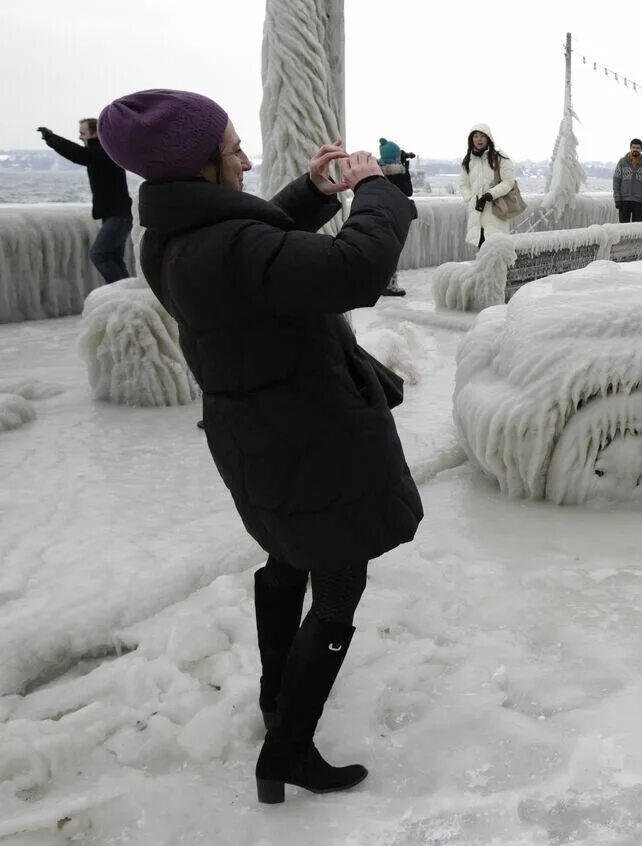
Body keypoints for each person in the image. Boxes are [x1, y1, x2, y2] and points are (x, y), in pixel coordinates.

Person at [97, 89, 422, 802]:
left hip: (260, 440)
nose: (246, 160)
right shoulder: (229, 246)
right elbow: (353, 271)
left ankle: (279, 698)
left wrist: (313, 191)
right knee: (339, 583)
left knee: (287, 556)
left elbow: (259, 246)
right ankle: (288, 749)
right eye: (233, 150)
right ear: (200, 166)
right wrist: (376, 190)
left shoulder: (172, 236)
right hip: (310, 437)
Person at [37, 118, 133, 283]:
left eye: (83, 133)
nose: (80, 137)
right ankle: (123, 293)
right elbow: (81, 154)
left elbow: (77, 154)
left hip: (119, 216)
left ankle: (122, 293)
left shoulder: (104, 152)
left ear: (95, 133)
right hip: (115, 215)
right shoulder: (101, 152)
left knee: (100, 254)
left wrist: (51, 138)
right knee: (113, 258)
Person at [460, 123, 516, 248]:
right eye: (475, 136)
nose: (478, 139)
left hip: (495, 209)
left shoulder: (500, 158)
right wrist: (470, 199)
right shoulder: (468, 160)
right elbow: (463, 184)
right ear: (471, 140)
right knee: (482, 249)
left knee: (496, 247)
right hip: (476, 211)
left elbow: (509, 182)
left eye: (482, 136)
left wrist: (491, 194)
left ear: (488, 138)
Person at [376, 137, 417, 297]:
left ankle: (377, 283)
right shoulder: (400, 172)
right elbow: (407, 191)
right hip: (395, 215)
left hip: (377, 213)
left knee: (379, 250)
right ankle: (390, 285)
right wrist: (405, 170)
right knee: (392, 251)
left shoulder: (376, 170)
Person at [613, 138, 642, 223]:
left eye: (638, 148)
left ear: (641, 149)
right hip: (624, 201)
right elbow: (616, 181)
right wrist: (617, 198)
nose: (635, 149)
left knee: (637, 229)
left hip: (639, 202)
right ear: (630, 148)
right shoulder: (622, 162)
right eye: (633, 147)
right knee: (623, 228)